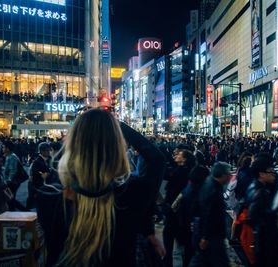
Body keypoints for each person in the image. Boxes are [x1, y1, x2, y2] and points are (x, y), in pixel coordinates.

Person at [46, 109, 165, 266]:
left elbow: (53, 253)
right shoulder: (131, 193)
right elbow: (157, 159)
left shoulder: (56, 197)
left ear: (75, 144)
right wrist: (116, 124)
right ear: (117, 145)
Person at [188, 162, 231, 267]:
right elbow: (210, 215)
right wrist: (205, 237)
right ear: (223, 175)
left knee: (202, 260)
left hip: (205, 233)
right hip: (212, 237)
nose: (230, 176)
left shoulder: (208, 183)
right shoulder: (215, 191)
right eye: (228, 174)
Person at [163, 149, 196, 267]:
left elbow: (175, 191)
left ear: (184, 159)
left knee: (169, 237)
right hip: (181, 211)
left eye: (179, 154)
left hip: (175, 210)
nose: (176, 155)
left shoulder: (179, 172)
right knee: (183, 239)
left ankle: (168, 262)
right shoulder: (186, 171)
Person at [243, 156, 277, 266]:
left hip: (258, 240)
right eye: (271, 171)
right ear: (261, 174)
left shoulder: (252, 186)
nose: (274, 174)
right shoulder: (261, 192)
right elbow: (252, 218)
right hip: (262, 240)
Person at [2, 140, 26, 211]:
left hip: (13, 182)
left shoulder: (12, 157)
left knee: (10, 199)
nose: (2, 148)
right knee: (11, 199)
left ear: (7, 148)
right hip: (12, 182)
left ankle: (24, 211)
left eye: (3, 147)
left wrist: (8, 181)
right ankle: (19, 211)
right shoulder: (9, 156)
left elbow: (13, 170)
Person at [28, 142, 52, 209]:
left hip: (45, 187)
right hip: (39, 187)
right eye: (47, 150)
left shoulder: (49, 159)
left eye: (49, 150)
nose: (49, 152)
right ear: (42, 151)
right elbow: (36, 177)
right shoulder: (37, 162)